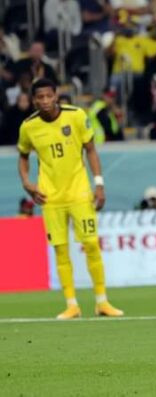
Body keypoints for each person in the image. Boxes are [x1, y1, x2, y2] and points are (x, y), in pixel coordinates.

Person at [17, 79, 123, 319]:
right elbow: (23, 156)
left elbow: (91, 150)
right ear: (34, 100)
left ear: (56, 96)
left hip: (79, 193)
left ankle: (102, 302)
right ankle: (72, 305)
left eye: (48, 96)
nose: (44, 101)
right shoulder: (28, 127)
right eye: (39, 97)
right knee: (60, 250)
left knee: (92, 244)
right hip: (50, 197)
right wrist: (27, 183)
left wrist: (99, 184)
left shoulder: (76, 116)